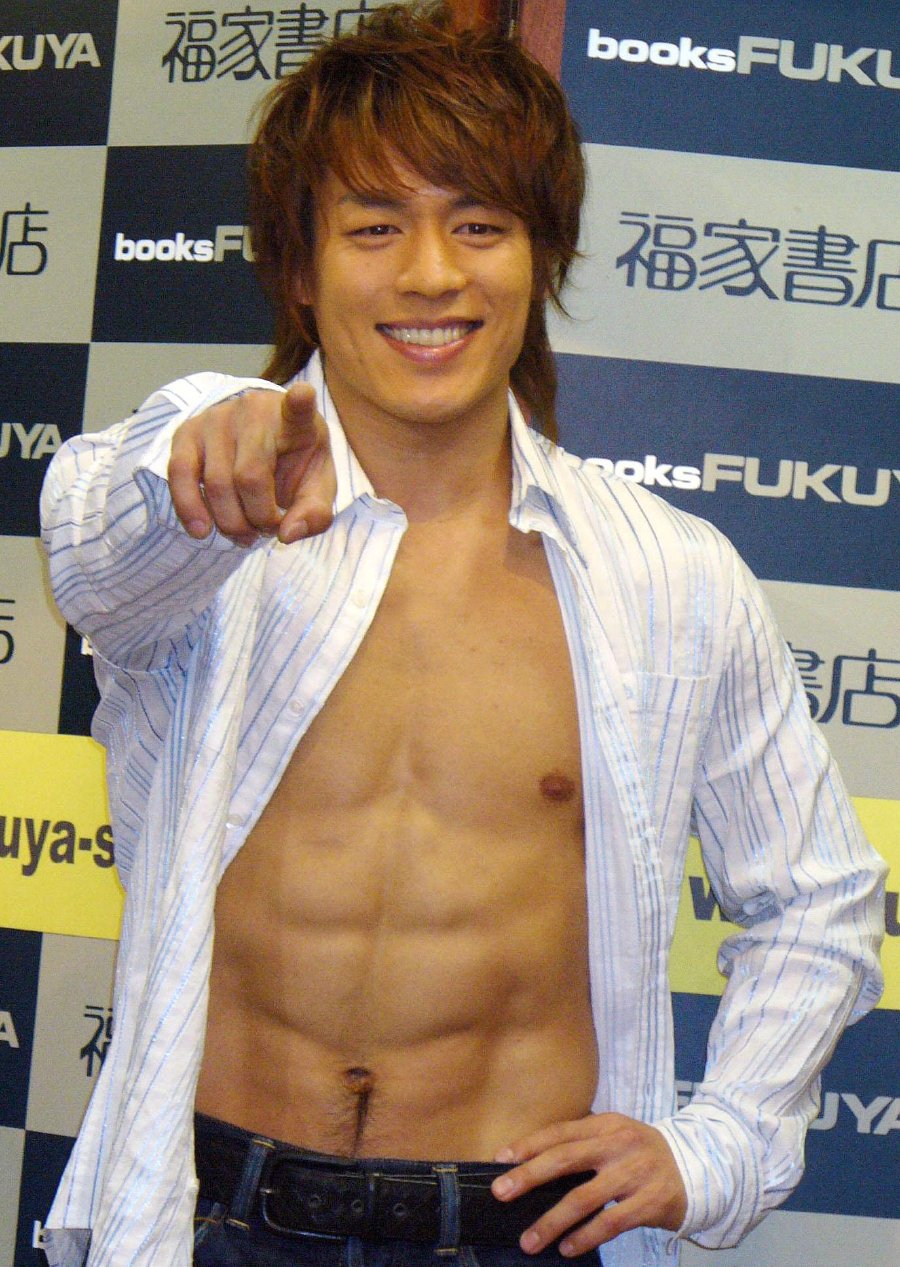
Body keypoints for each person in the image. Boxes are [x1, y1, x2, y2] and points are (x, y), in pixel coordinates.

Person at [40, 5, 886, 1267]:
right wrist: (196, 455)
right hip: (212, 1212)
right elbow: (92, 551)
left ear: (541, 258)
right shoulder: (206, 526)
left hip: (516, 1228)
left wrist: (718, 1145)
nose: (432, 274)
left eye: (480, 225)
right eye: (375, 227)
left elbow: (820, 896)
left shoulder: (669, 575)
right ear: (299, 268)